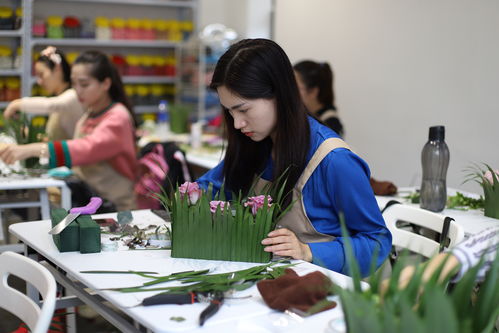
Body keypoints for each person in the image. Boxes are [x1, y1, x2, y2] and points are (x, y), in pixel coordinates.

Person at [196, 39, 391, 277]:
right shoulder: (255, 144)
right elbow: (208, 188)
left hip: (322, 294)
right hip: (268, 282)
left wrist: (307, 251)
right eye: (229, 111)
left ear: (279, 94)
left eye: (244, 110)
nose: (237, 124)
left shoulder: (335, 161)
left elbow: (377, 242)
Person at [0, 50, 138, 211]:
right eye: (74, 84)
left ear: (106, 84)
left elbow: (86, 148)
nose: (77, 90)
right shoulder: (90, 113)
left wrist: (30, 150)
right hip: (90, 200)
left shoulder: (117, 117)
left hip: (116, 208)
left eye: (84, 84)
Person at [3, 46, 84, 141]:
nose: (39, 81)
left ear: (57, 69)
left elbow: (50, 105)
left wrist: (16, 104)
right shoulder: (59, 96)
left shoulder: (72, 95)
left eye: (41, 74)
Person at [293, 60, 343, 137]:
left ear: (313, 91)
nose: (290, 91)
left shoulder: (331, 124)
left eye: (295, 87)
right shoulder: (305, 116)